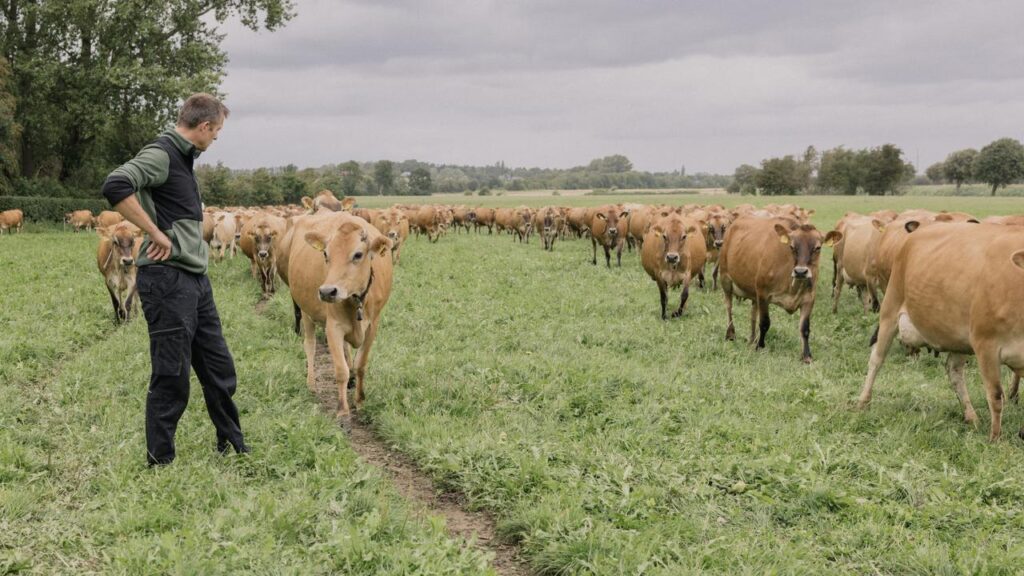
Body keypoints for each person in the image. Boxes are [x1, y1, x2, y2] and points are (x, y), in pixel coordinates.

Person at [101, 93, 249, 466]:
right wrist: (156, 232)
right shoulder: (162, 153)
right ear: (203, 126)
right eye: (216, 132)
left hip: (196, 280)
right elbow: (116, 184)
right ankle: (160, 461)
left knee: (219, 367)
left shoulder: (182, 158)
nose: (216, 139)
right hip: (167, 280)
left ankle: (232, 444)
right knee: (172, 373)